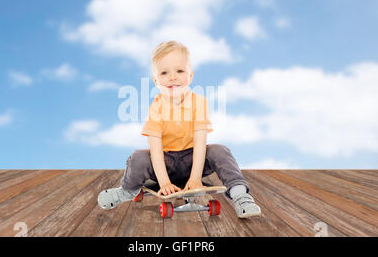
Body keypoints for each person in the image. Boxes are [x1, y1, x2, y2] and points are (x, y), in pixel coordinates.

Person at [98, 41, 261, 218]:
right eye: (164, 72)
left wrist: (196, 178)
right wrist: (164, 183)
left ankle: (240, 195)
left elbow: (200, 143)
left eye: (180, 71)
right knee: (138, 157)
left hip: (191, 160)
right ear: (156, 80)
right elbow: (155, 150)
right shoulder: (156, 108)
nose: (173, 77)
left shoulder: (199, 103)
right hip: (165, 162)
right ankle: (127, 191)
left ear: (190, 76)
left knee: (219, 150)